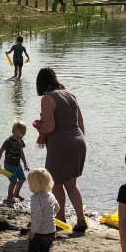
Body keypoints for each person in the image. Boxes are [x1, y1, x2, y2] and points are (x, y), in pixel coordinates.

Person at [34, 67, 87, 234]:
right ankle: (81, 219)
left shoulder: (47, 98)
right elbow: (81, 123)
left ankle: (61, 218)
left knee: (55, 183)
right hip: (78, 141)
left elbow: (50, 126)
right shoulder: (70, 94)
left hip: (61, 144)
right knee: (71, 184)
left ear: (41, 83)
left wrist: (39, 128)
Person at [22, 168, 58, 252]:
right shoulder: (50, 196)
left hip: (39, 232)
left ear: (34, 185)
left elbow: (37, 215)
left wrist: (33, 230)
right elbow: (57, 208)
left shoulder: (35, 198)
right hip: (51, 230)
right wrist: (51, 216)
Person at [0, 121, 29, 204]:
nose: (20, 137)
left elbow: (21, 153)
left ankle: (16, 194)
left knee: (22, 179)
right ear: (13, 132)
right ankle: (9, 197)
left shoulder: (20, 141)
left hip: (18, 165)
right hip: (9, 165)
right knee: (13, 181)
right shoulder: (8, 141)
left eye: (22, 136)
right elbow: (0, 152)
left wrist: (25, 163)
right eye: (18, 135)